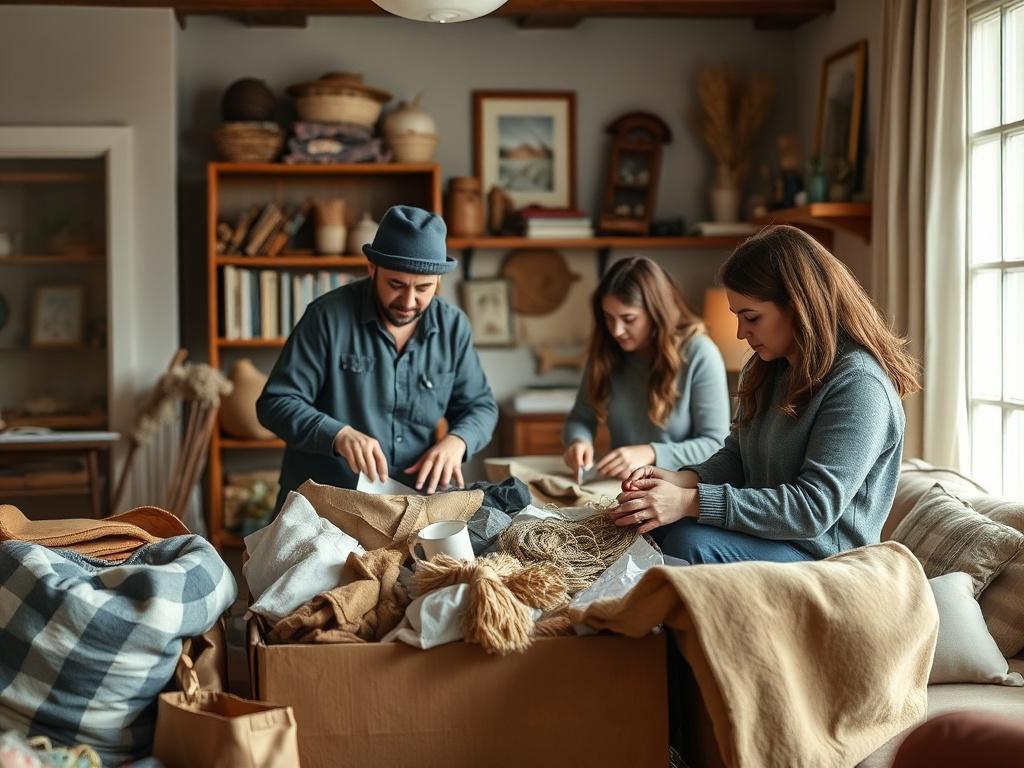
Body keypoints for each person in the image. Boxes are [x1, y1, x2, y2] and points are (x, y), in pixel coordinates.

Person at [608, 225, 920, 564]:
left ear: (798, 306)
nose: (741, 333)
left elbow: (812, 510)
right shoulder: (768, 368)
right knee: (642, 525)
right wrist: (681, 480)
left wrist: (688, 501)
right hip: (764, 535)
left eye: (752, 317)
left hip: (823, 557)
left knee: (688, 543)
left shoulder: (860, 386)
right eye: (738, 317)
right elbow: (739, 456)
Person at [257, 205, 498, 508]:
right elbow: (276, 403)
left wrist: (457, 441)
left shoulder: (453, 326)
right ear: (372, 269)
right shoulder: (326, 317)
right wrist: (338, 435)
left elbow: (480, 406)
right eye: (396, 285)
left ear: (437, 280)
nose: (408, 302)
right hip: (322, 504)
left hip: (409, 504)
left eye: (423, 288)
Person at [562, 257, 730, 481]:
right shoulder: (606, 352)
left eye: (628, 319)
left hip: (678, 489)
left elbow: (716, 443)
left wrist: (651, 453)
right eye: (609, 318)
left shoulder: (699, 352)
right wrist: (579, 441)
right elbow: (581, 418)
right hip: (620, 486)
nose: (616, 330)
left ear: (656, 314)